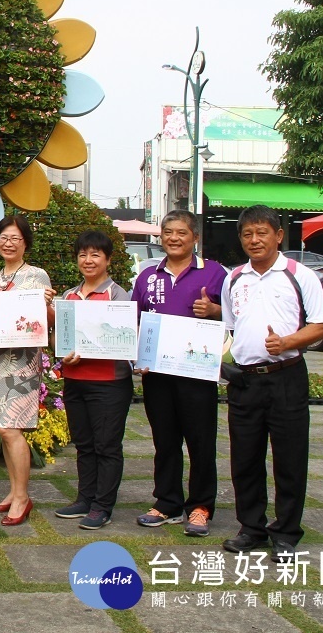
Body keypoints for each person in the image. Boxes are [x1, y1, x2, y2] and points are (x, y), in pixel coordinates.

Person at [221, 205, 323, 561]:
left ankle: (285, 532)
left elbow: (321, 326)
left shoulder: (301, 275)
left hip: (287, 378)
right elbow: (231, 327)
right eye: (247, 234)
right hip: (246, 382)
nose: (255, 240)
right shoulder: (235, 278)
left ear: (278, 235)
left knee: (289, 458)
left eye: (262, 232)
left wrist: (286, 342)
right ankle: (251, 528)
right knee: (245, 458)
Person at [131, 210, 227, 537]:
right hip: (156, 373)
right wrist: (136, 356)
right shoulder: (147, 276)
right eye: (168, 231)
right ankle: (168, 502)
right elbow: (136, 321)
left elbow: (235, 315)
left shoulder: (214, 273)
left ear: (195, 237)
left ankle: (200, 506)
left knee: (200, 442)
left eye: (181, 232)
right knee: (165, 440)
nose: (173, 238)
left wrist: (214, 311)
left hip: (196, 373)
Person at [56, 230, 133, 530]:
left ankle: (103, 505)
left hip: (109, 382)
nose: (88, 260)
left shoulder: (117, 295)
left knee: (107, 445)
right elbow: (61, 340)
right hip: (76, 379)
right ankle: (85, 498)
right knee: (84, 444)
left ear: (108, 259)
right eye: (83, 255)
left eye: (95, 255)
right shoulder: (69, 296)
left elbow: (124, 340)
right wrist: (62, 354)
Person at [0, 215, 55, 526]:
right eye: (3, 237)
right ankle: (14, 491)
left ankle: (23, 498)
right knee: (3, 430)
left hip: (22, 364)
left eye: (15, 238)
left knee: (13, 429)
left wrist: (49, 306)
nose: (8, 243)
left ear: (25, 243)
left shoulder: (37, 277)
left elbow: (48, 321)